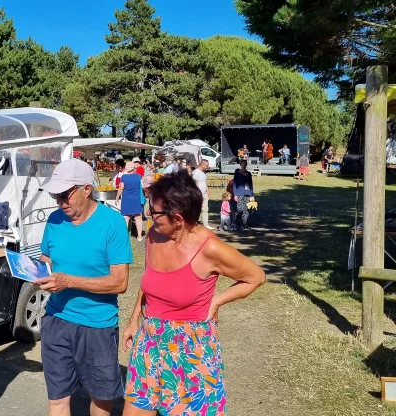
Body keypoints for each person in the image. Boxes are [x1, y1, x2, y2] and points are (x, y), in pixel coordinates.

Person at [122, 173, 266, 416]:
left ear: (177, 219)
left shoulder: (209, 248)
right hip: (149, 341)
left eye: (154, 211)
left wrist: (217, 300)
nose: (148, 214)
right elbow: (148, 282)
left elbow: (256, 277)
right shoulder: (154, 237)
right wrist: (134, 320)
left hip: (191, 348)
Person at [34, 158, 133, 416]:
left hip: (97, 325)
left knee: (101, 400)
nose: (59, 202)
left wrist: (68, 281)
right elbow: (47, 258)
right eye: (56, 196)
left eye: (65, 195)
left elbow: (120, 282)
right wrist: (32, 269)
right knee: (57, 399)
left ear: (86, 189)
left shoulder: (112, 223)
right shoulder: (54, 221)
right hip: (56, 321)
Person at [117, 161, 145, 241]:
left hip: (126, 199)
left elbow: (121, 188)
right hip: (136, 199)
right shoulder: (138, 176)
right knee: (138, 218)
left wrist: (117, 197)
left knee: (126, 217)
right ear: (134, 168)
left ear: (126, 168)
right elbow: (142, 186)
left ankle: (125, 236)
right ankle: (139, 236)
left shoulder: (124, 177)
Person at [233, 160, 255, 231]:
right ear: (240, 165)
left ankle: (244, 224)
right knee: (240, 209)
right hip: (239, 193)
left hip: (247, 193)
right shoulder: (237, 173)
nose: (244, 166)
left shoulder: (248, 174)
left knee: (246, 210)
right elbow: (234, 184)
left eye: (245, 164)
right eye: (242, 164)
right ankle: (236, 222)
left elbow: (251, 184)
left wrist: (252, 195)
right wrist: (235, 194)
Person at [192, 159, 214, 230]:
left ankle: (206, 224)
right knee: (197, 209)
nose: (208, 167)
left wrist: (207, 190)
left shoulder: (203, 173)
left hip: (204, 193)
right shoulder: (195, 173)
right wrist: (199, 194)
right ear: (202, 164)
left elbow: (204, 182)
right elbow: (196, 184)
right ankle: (194, 223)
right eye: (207, 165)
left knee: (205, 209)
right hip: (198, 194)